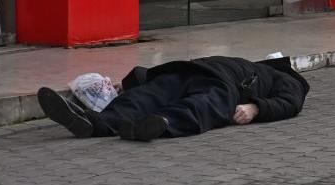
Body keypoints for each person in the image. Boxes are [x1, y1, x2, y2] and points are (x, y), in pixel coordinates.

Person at [37, 56, 309, 141]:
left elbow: (290, 103)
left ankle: (107, 123)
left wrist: (255, 108)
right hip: (208, 76)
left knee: (155, 97)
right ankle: (99, 123)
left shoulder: (287, 78)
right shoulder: (258, 68)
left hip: (204, 77)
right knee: (155, 98)